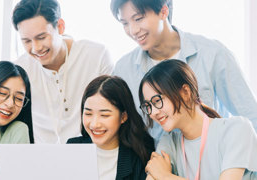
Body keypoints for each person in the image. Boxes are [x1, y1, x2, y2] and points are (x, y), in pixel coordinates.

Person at [110, 0, 257, 142]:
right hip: (157, 163)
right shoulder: (124, 69)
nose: (133, 30)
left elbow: (250, 115)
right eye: (125, 23)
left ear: (163, 11)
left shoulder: (212, 54)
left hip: (213, 162)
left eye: (138, 18)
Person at [12, 0, 114, 144]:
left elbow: (113, 112)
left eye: (41, 37)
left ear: (60, 27)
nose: (36, 48)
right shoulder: (20, 69)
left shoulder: (96, 55)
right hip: (41, 158)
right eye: (27, 41)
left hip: (93, 152)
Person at [139, 60, 257, 180]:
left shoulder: (237, 129)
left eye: (157, 101)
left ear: (185, 92)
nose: (153, 113)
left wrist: (164, 176)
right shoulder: (169, 142)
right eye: (148, 106)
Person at [67, 75, 155, 180]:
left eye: (104, 115)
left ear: (123, 117)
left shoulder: (140, 157)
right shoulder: (72, 148)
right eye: (88, 113)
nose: (94, 124)